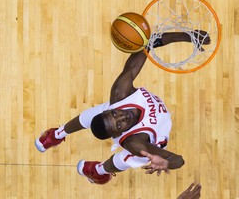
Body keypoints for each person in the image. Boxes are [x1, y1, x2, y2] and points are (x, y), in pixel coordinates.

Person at [35, 31, 210, 184]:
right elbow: (178, 160)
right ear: (118, 134)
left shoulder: (120, 93)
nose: (123, 117)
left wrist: (189, 36)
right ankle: (99, 170)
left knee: (95, 113)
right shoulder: (134, 143)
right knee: (128, 158)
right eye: (119, 125)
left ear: (112, 110)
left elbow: (149, 43)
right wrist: (165, 162)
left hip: (123, 115)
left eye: (115, 114)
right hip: (153, 141)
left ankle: (64, 140)